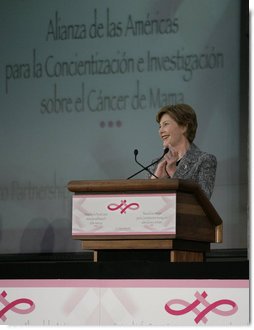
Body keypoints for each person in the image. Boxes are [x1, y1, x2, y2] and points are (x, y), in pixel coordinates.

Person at [151, 104, 217, 199]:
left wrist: (173, 172)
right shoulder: (156, 164)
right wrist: (155, 179)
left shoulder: (204, 160)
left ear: (184, 127)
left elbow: (203, 198)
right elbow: (148, 203)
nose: (160, 131)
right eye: (159, 126)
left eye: (165, 124)